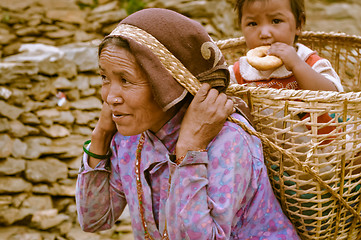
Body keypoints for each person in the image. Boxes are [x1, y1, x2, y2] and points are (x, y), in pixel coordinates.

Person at [75, 8, 300, 239]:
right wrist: (101, 135)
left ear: (166, 83)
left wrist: (189, 150)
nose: (111, 97)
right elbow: (95, 219)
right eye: (105, 77)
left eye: (125, 80)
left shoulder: (228, 139)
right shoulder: (131, 136)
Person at [230, 0, 343, 92]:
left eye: (276, 21)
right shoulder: (240, 72)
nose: (264, 33)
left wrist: (297, 65)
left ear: (299, 25)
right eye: (253, 24)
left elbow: (334, 96)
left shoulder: (309, 62)